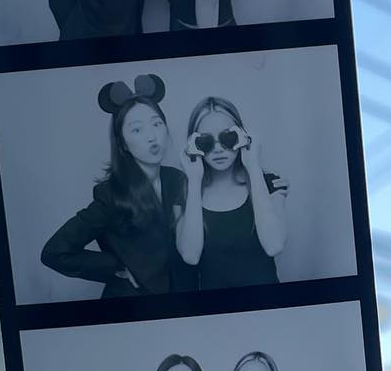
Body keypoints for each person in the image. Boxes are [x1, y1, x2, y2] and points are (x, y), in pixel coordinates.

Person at [40, 75, 190, 299]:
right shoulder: (111, 195)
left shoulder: (177, 179)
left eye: (157, 124)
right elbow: (55, 252)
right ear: (123, 144)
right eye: (137, 130)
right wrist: (115, 266)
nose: (152, 137)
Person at [177, 95, 287, 290]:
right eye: (206, 141)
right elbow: (191, 256)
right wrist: (194, 180)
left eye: (227, 137)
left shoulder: (270, 184)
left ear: (241, 136)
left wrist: (253, 166)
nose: (218, 149)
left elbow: (274, 245)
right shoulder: (186, 191)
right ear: (194, 144)